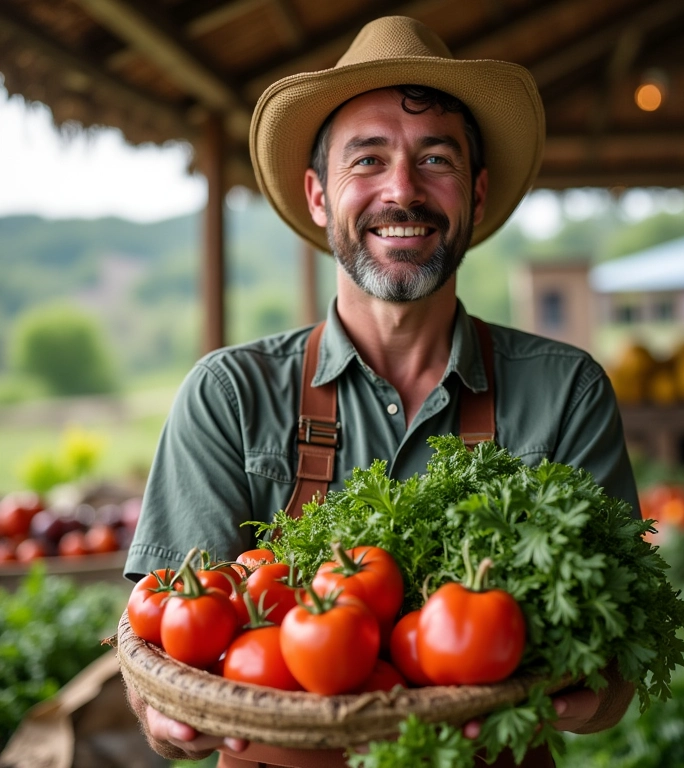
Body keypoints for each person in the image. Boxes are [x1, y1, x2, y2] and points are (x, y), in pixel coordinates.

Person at [123, 15, 639, 768]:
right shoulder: (229, 396)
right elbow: (158, 648)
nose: (403, 190)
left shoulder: (564, 391)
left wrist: (594, 694)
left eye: (436, 159)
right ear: (318, 196)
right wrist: (164, 718)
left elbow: (615, 648)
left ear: (477, 192)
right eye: (367, 160)